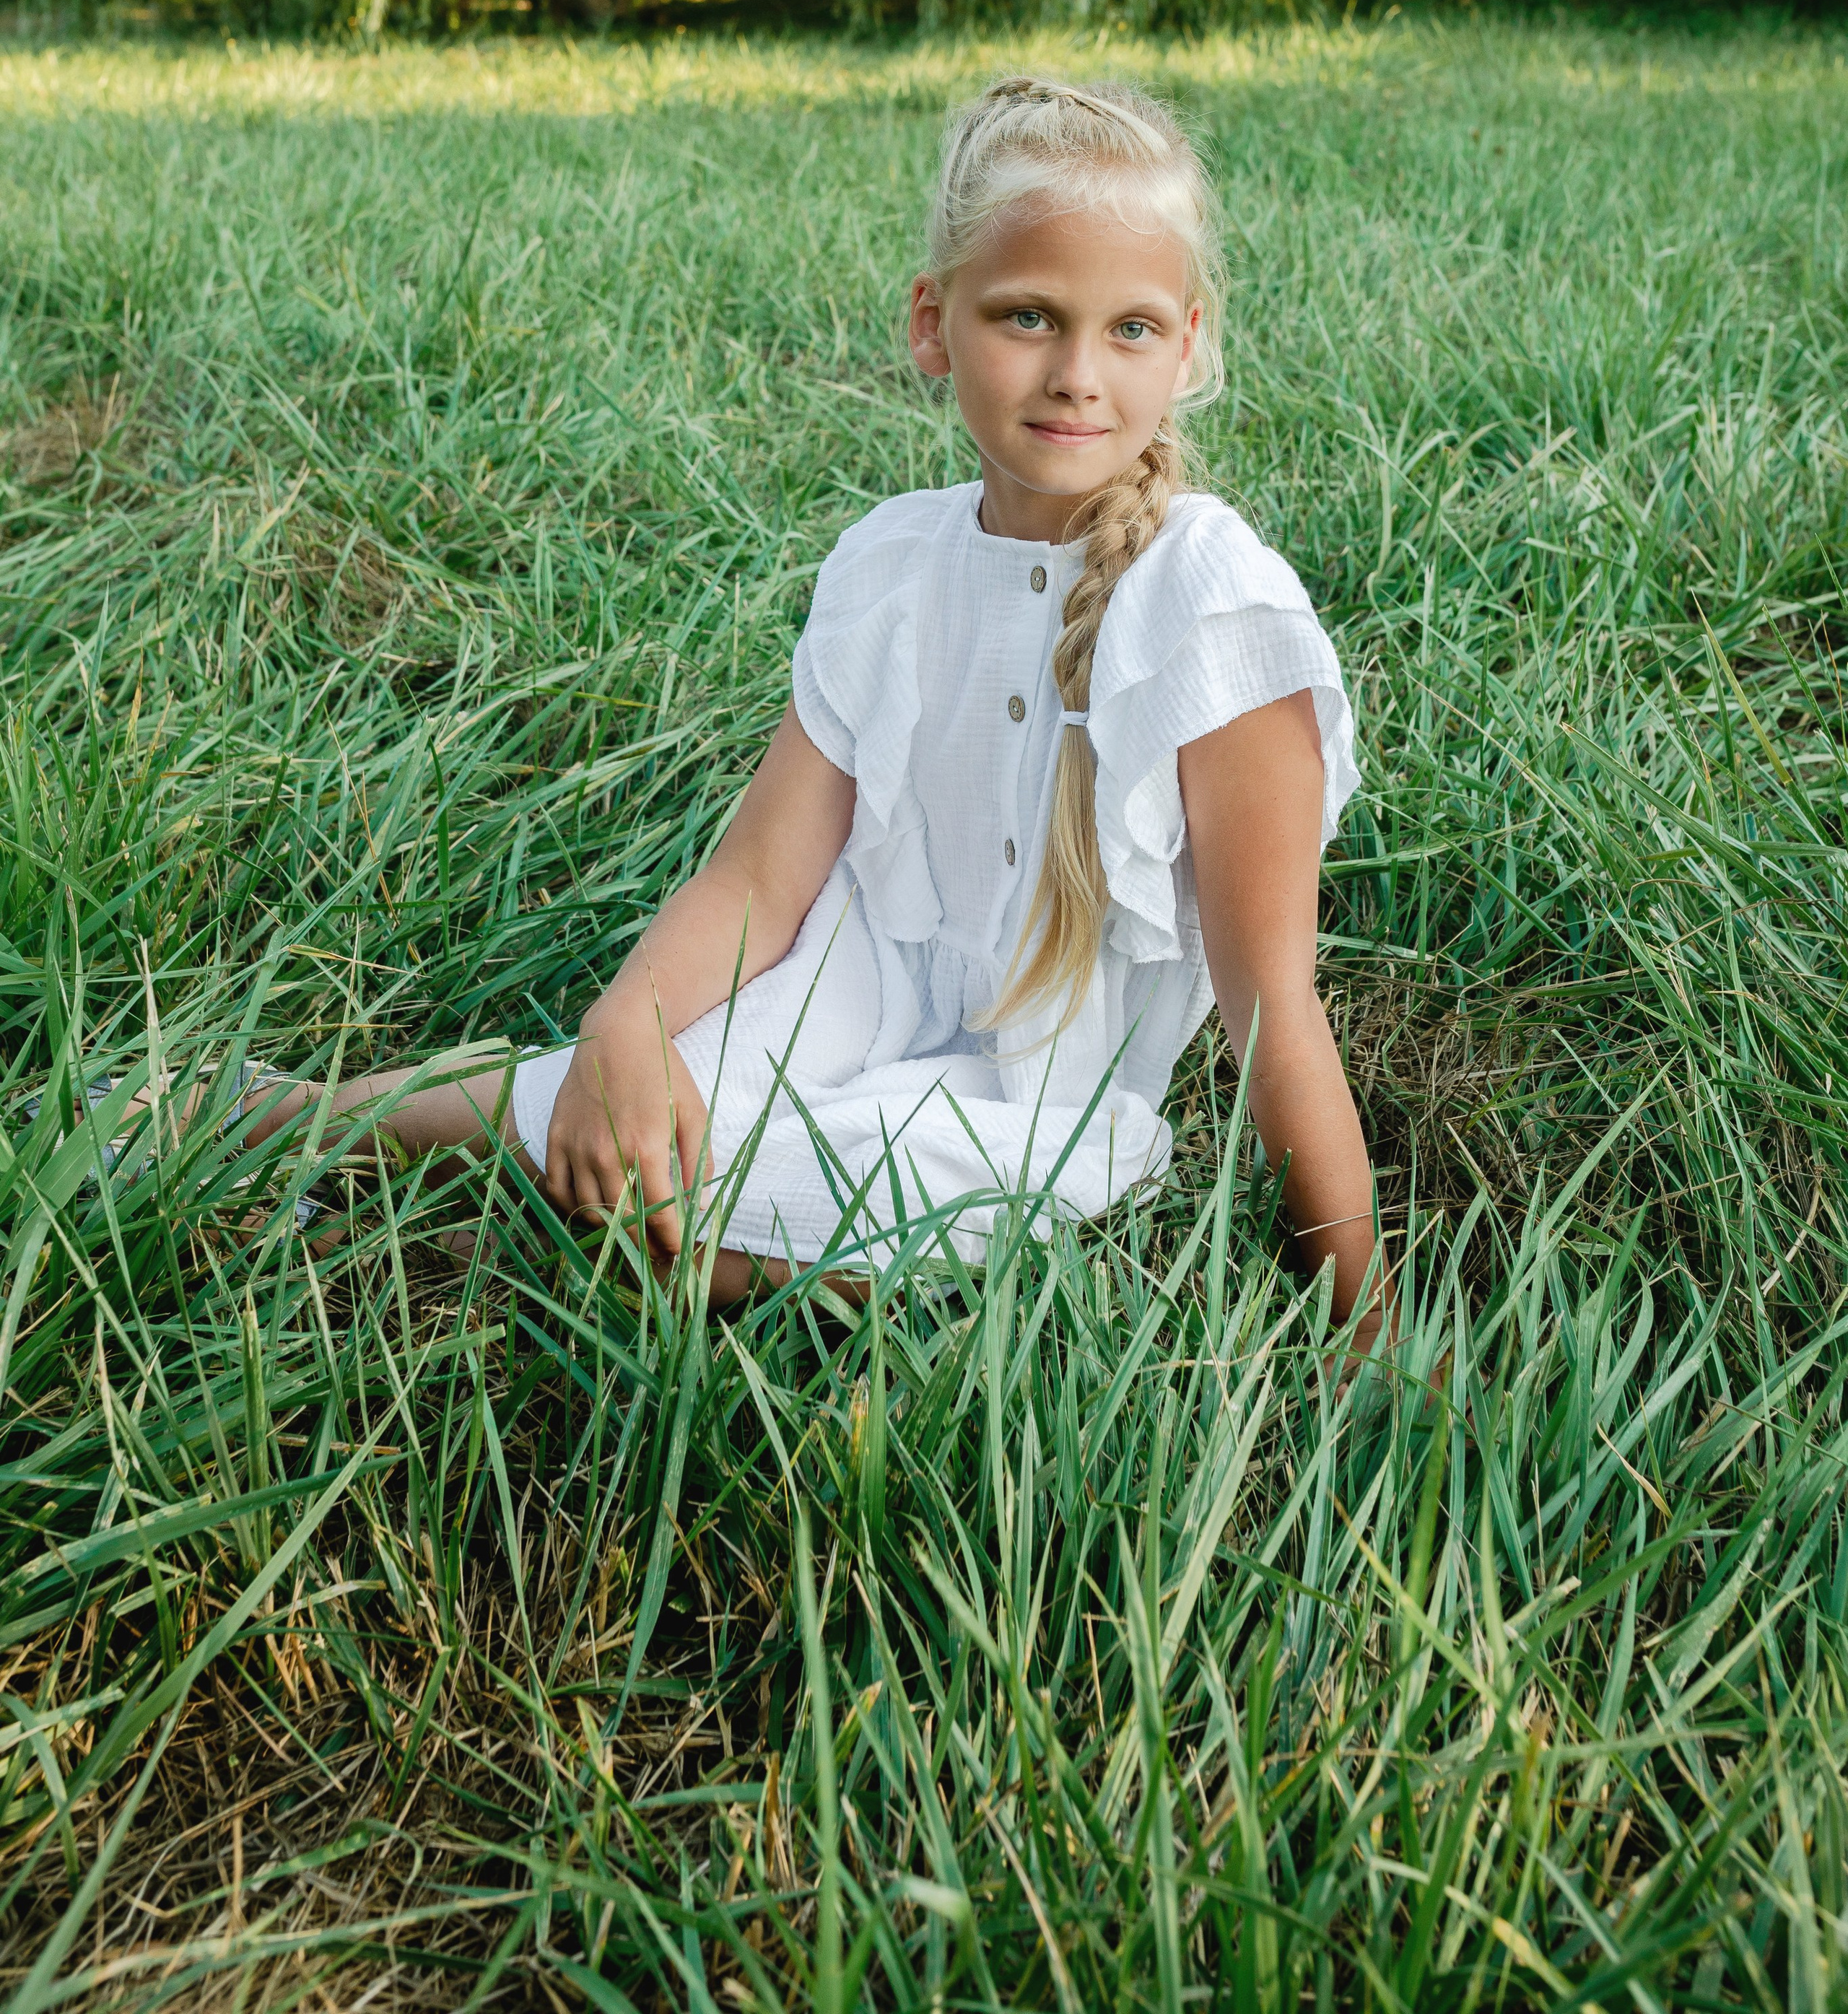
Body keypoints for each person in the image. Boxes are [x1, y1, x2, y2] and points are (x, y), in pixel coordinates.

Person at [246, 76, 1382, 1325]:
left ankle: (467, 1197)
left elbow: (1276, 1017)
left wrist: (1368, 1326)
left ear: (1188, 342)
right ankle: (276, 1119)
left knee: (677, 1238)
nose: (1076, 374)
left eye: (1131, 330)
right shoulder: (889, 564)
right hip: (853, 989)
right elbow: (759, 880)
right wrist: (627, 1023)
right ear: (933, 323)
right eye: (1028, 316)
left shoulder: (1212, 611)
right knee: (624, 1102)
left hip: (1044, 1104)